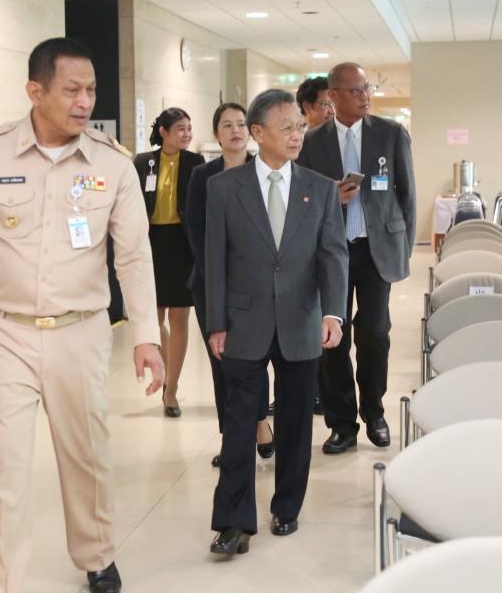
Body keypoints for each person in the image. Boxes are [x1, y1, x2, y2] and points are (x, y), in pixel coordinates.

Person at [0, 37, 164, 593]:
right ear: (35, 91)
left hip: (79, 331)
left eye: (91, 90)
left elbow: (134, 257)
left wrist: (146, 335)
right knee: (4, 468)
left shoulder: (112, 163)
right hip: (4, 332)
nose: (85, 102)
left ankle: (96, 554)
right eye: (72, 90)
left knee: (87, 457)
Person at [205, 89, 348, 556]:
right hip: (243, 322)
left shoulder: (320, 188)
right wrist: (216, 323)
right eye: (286, 127)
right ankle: (233, 522)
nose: (296, 135)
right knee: (239, 424)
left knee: (295, 422)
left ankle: (287, 506)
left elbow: (333, 255)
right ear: (258, 132)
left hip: (301, 321)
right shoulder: (224, 188)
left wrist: (333, 312)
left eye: (299, 127)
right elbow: (215, 261)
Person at [297, 62, 416, 454]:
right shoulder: (312, 142)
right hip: (331, 252)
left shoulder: (391, 133)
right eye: (356, 90)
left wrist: (403, 249)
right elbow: (301, 200)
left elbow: (407, 196)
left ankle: (375, 413)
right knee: (333, 337)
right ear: (333, 96)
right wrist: (330, 196)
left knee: (375, 333)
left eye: (367, 89)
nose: (365, 96)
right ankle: (342, 423)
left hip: (375, 249)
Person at [184, 102, 273, 467]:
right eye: (227, 125)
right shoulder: (202, 176)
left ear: (251, 131)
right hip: (211, 285)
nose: (235, 131)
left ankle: (261, 421)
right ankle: (231, 439)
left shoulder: (264, 171)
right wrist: (218, 277)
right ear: (216, 134)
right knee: (222, 364)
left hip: (256, 288)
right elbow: (195, 229)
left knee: (254, 360)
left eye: (241, 124)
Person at [133, 109, 205, 418]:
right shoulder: (143, 162)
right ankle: (163, 370)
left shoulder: (196, 162)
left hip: (182, 244)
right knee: (155, 317)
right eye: (180, 129)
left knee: (179, 317)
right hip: (151, 244)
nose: (187, 134)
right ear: (163, 132)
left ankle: (171, 389)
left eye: (189, 128)